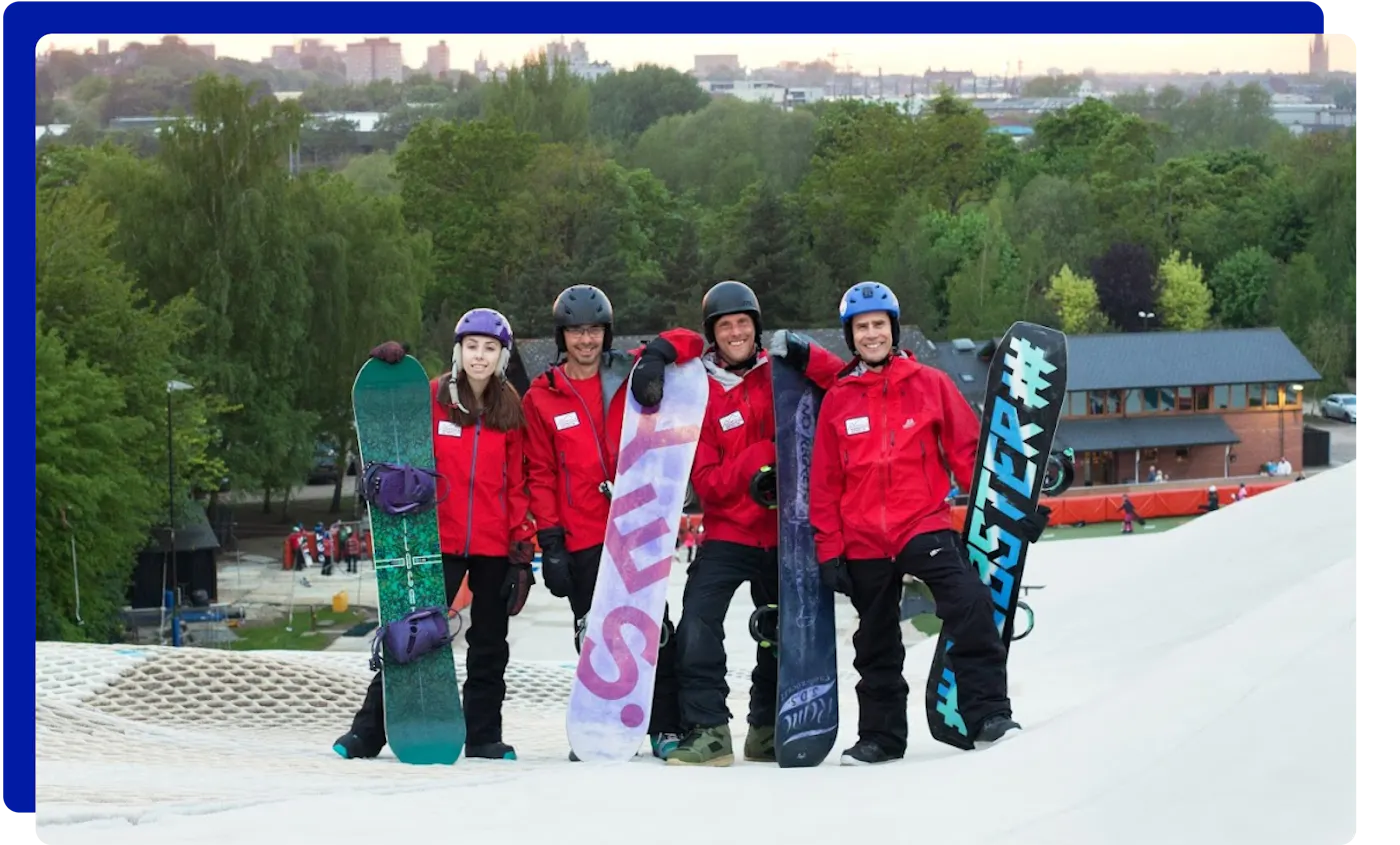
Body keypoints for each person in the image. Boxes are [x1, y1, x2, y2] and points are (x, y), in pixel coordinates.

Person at [808, 281, 1047, 766]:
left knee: (970, 603)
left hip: (922, 523)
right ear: (850, 336)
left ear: (892, 330)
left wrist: (1012, 510)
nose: (871, 334)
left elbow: (967, 453)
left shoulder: (931, 384)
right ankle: (880, 738)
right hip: (863, 540)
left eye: (878, 325)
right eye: (861, 327)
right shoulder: (839, 399)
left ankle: (988, 716)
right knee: (874, 640)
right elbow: (825, 483)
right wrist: (829, 551)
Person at [333, 308, 538, 761]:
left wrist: (522, 545)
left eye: (489, 348)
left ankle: (484, 736)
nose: (479, 357)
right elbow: (396, 433)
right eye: (471, 347)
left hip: (493, 545)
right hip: (434, 539)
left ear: (502, 355)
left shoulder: (510, 407)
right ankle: (369, 732)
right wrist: (390, 376)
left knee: (489, 646)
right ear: (458, 351)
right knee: (413, 634)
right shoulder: (432, 397)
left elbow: (518, 480)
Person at [521, 283, 706, 761]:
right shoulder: (542, 397)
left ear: (607, 333)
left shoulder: (628, 370)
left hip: (636, 525)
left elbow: (692, 341)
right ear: (562, 337)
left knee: (652, 627)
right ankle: (599, 723)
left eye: (595, 331)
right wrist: (551, 542)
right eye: (576, 332)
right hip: (581, 532)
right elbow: (539, 473)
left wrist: (658, 355)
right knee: (591, 631)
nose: (587, 341)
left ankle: (664, 724)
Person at [665, 280, 845, 767]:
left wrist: (811, 355)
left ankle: (766, 727)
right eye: (726, 326)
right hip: (729, 530)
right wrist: (759, 466)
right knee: (699, 620)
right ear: (713, 334)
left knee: (779, 628)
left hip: (785, 533)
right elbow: (705, 478)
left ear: (756, 327)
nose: (736, 333)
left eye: (744, 323)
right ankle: (708, 729)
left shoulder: (780, 373)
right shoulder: (700, 390)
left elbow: (845, 385)